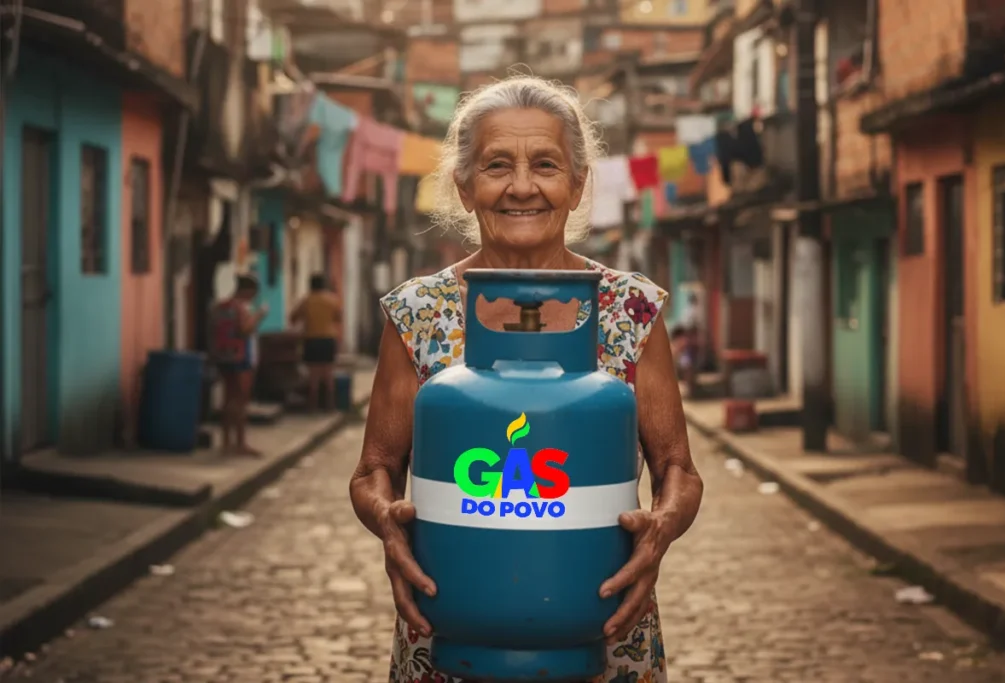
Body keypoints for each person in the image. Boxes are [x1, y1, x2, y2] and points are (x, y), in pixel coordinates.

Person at [349, 76, 704, 683]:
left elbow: (678, 469)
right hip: (449, 630)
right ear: (463, 187)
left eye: (545, 164)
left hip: (602, 627)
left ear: (577, 184)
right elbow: (374, 468)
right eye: (495, 166)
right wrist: (387, 521)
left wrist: (659, 532)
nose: (521, 187)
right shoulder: (417, 313)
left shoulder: (629, 310)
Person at [209, 273, 267, 456]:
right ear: (248, 291)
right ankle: (240, 443)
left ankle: (226, 442)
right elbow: (245, 330)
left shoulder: (219, 307)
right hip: (241, 358)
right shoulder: (241, 308)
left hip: (224, 357)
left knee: (228, 399)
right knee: (241, 401)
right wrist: (259, 316)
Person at [290, 273, 342, 412]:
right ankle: (330, 406)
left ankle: (312, 407)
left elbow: (293, 318)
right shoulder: (332, 300)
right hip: (328, 339)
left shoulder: (306, 301)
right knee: (328, 374)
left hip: (311, 339)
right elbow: (338, 318)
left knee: (313, 376)